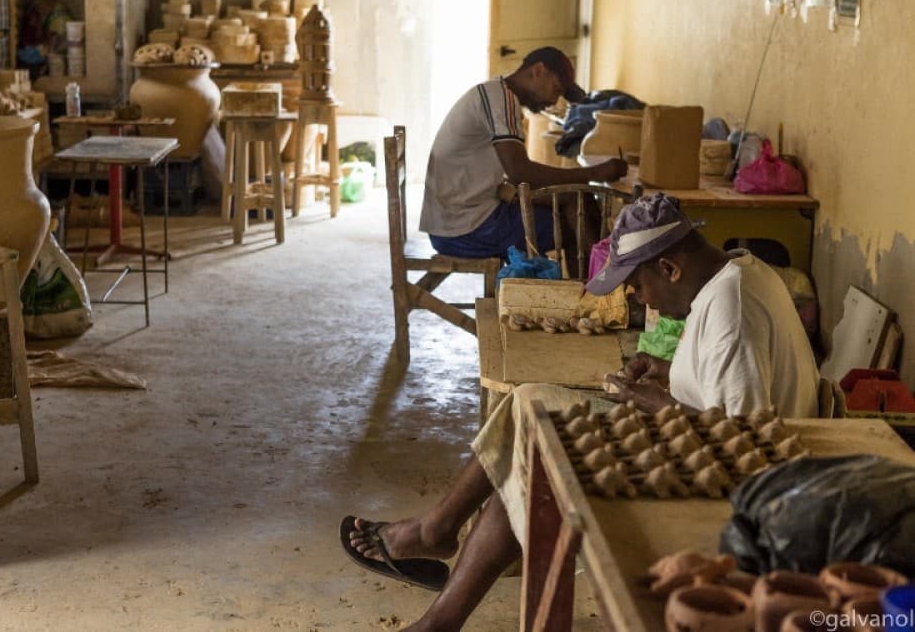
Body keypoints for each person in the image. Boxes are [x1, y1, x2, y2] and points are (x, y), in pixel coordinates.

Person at [340, 193, 820, 631]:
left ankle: (436, 553)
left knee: (535, 439)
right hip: (696, 443)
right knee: (531, 416)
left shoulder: (731, 309)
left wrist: (660, 406)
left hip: (725, 489)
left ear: (669, 268)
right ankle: (437, 555)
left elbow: (742, 447)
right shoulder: (738, 273)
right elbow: (727, 383)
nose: (637, 298)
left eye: (636, 286)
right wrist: (667, 370)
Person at [418, 46, 628, 276]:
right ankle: (600, 285)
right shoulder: (501, 99)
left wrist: (578, 183)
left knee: (578, 198)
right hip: (464, 229)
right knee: (572, 221)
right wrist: (593, 173)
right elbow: (521, 174)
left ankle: (595, 284)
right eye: (555, 89)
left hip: (457, 220)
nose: (553, 100)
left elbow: (517, 176)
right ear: (538, 70)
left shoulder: (496, 93)